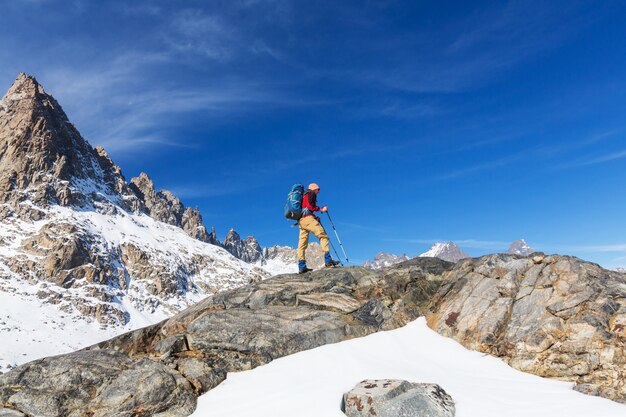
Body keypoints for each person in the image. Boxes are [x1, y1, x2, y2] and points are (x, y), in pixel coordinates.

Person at [297, 183, 340, 273]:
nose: (318, 191)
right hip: (308, 219)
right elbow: (310, 207)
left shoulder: (303, 196)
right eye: (318, 189)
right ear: (314, 189)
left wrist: (315, 217)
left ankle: (301, 266)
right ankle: (328, 260)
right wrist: (321, 209)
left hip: (301, 221)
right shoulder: (311, 194)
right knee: (323, 236)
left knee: (302, 244)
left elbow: (305, 209)